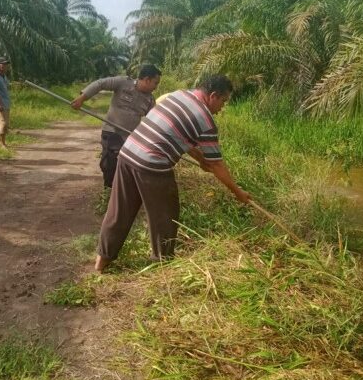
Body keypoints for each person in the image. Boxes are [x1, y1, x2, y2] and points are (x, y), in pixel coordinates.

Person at [94, 74, 252, 273]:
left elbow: (177, 136)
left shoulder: (178, 95)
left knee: (120, 210)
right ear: (213, 95)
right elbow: (217, 165)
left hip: (128, 153)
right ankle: (163, 265)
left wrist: (201, 159)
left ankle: (101, 262)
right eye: (223, 101)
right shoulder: (206, 120)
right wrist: (238, 193)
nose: (222, 107)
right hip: (152, 164)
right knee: (166, 215)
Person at [71, 65, 162, 188]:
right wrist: (82, 98)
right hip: (111, 131)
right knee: (109, 162)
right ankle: (110, 188)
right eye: (155, 83)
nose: (156, 87)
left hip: (129, 138)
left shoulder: (150, 100)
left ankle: (118, 189)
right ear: (147, 79)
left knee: (127, 166)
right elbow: (100, 84)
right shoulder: (123, 83)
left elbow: (153, 121)